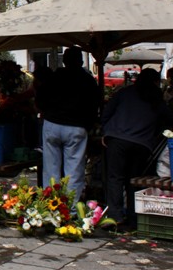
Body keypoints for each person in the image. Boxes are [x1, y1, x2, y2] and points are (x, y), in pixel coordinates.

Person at [101, 68, 173, 230]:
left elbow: (107, 111)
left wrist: (106, 131)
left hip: (117, 139)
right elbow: (168, 119)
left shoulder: (125, 92)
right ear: (155, 81)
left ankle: (115, 216)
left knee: (115, 178)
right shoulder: (156, 99)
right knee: (134, 180)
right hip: (142, 143)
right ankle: (134, 218)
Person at [35, 46, 99, 203]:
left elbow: (40, 98)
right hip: (76, 127)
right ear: (81, 61)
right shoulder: (88, 80)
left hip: (52, 124)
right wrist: (88, 126)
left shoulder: (55, 77)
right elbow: (94, 105)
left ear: (64, 60)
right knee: (74, 170)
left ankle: (51, 206)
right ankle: (70, 208)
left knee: (51, 169)